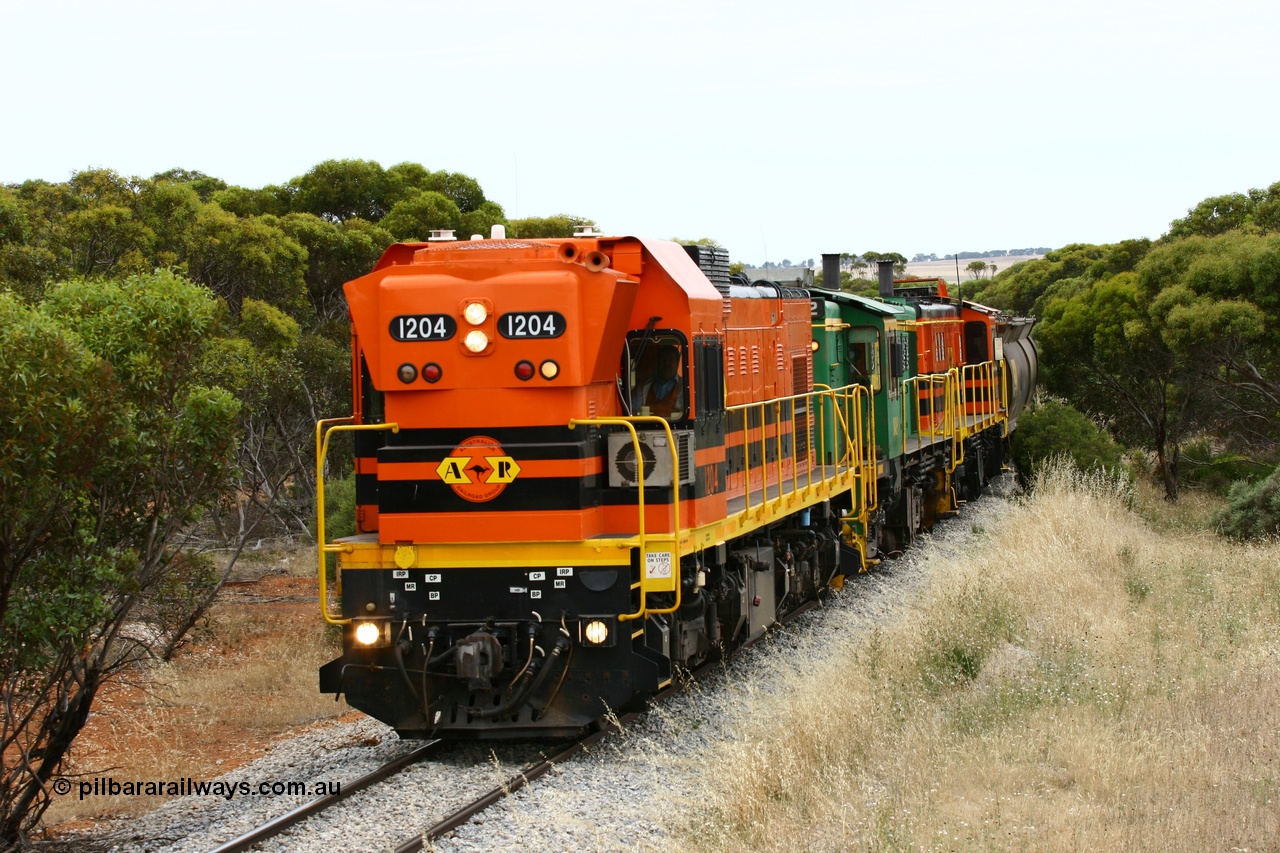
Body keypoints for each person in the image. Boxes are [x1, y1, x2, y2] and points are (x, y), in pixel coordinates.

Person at [633, 344, 683, 418]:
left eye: (670, 360)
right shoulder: (643, 387)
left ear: (677, 362)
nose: (667, 363)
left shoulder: (684, 387)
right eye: (663, 360)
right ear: (658, 362)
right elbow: (634, 411)